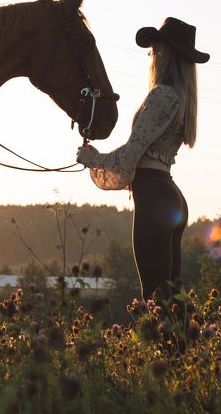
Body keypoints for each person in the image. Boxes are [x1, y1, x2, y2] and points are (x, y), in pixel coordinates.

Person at [76, 16, 208, 303]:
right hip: (170, 194)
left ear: (165, 54)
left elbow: (131, 153)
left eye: (156, 50)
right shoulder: (183, 99)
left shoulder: (162, 95)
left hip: (154, 197)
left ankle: (166, 349)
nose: (152, 56)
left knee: (155, 297)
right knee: (172, 297)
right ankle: (182, 348)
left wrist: (93, 159)